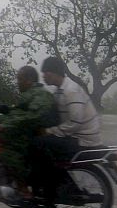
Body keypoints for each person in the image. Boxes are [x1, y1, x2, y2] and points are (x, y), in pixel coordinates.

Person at [29, 56, 102, 197]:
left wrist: (49, 131)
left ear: (55, 73)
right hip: (75, 135)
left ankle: (48, 192)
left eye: (46, 73)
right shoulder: (59, 90)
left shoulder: (71, 90)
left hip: (83, 139)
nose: (43, 76)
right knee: (40, 141)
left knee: (37, 144)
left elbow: (75, 122)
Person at [0, 65, 56, 198]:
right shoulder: (29, 94)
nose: (17, 82)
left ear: (29, 80)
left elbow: (34, 116)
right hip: (27, 134)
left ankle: (23, 188)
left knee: (7, 153)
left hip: (32, 137)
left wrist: (6, 125)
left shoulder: (40, 94)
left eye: (20, 79)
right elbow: (17, 112)